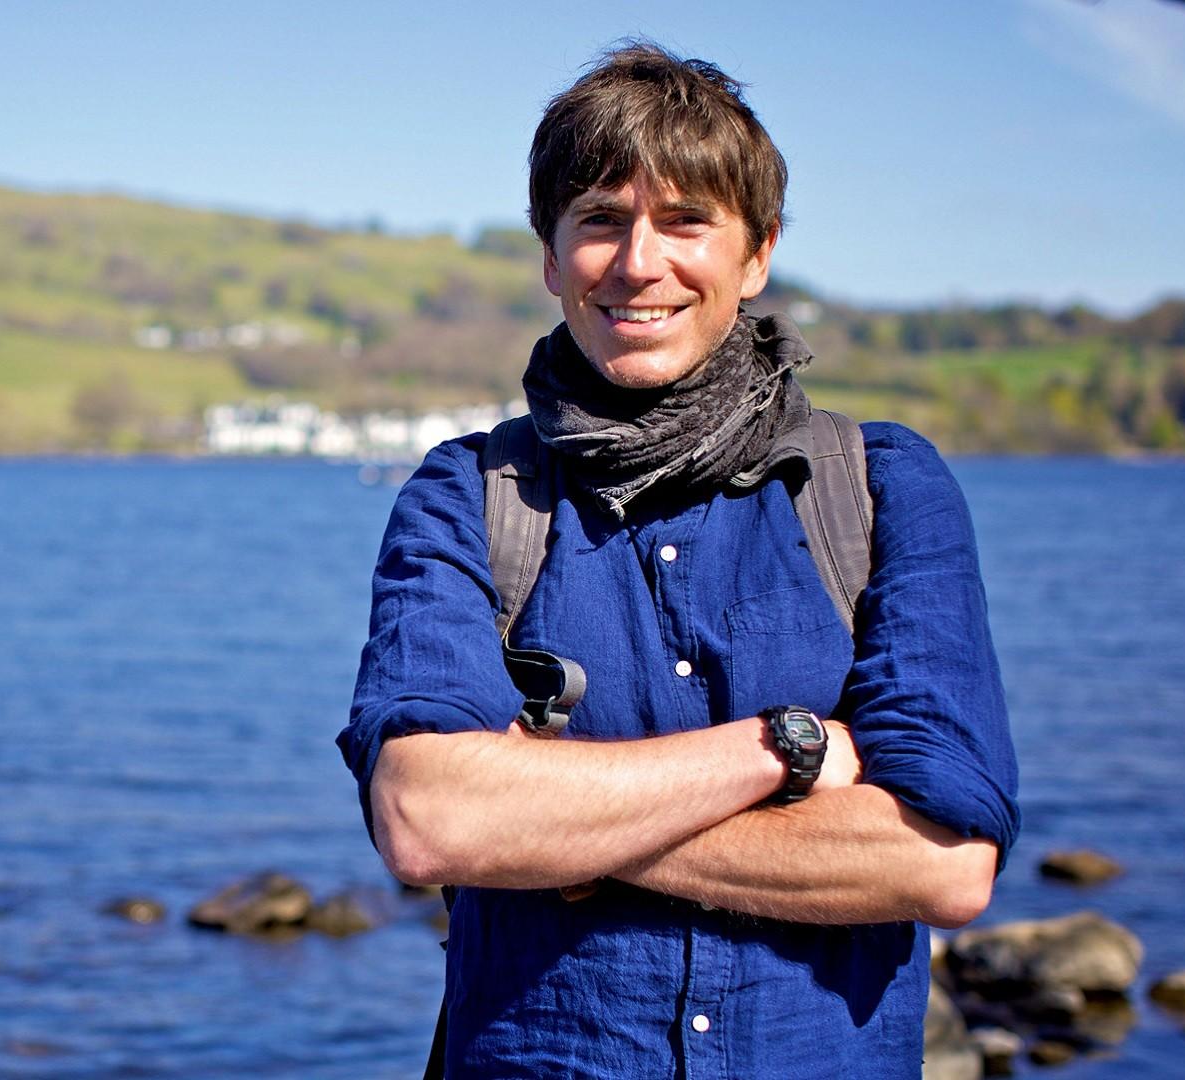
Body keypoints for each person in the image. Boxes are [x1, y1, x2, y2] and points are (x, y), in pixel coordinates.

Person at [337, 42, 1020, 1078]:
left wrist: (558, 832)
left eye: (687, 220)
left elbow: (945, 864)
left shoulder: (879, 488)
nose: (639, 262)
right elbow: (428, 818)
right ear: (551, 256)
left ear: (758, 254)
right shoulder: (469, 494)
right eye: (600, 220)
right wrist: (782, 752)